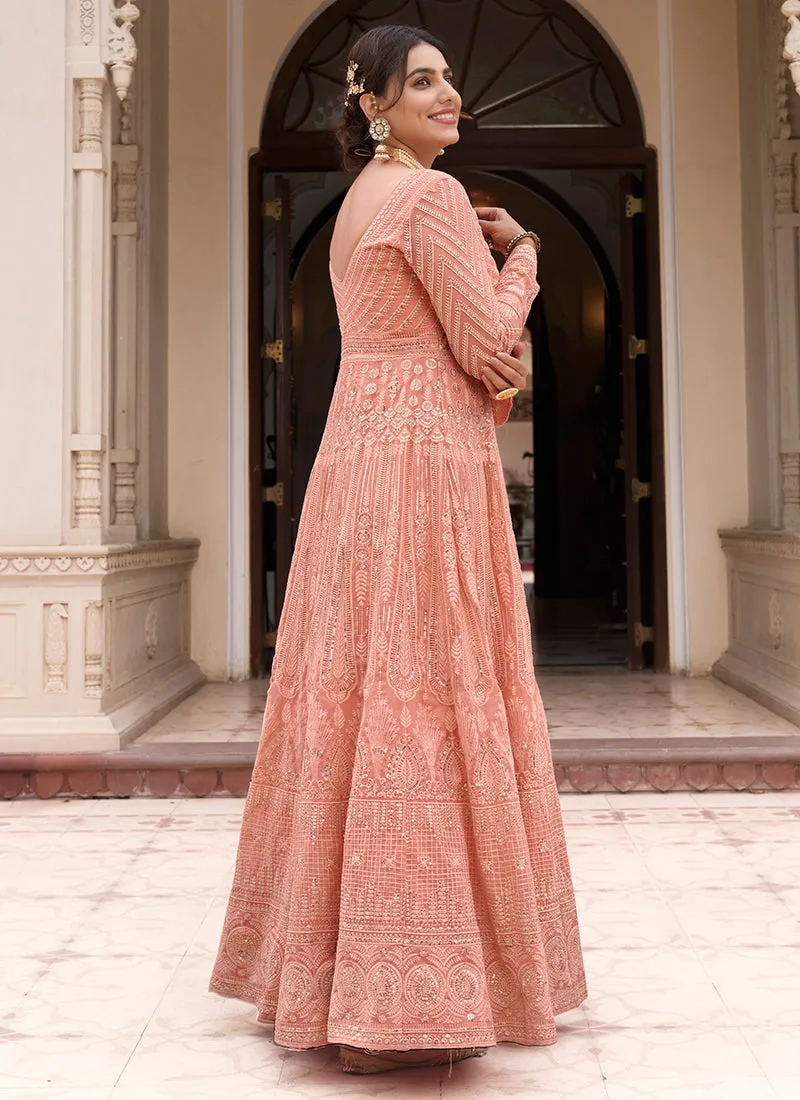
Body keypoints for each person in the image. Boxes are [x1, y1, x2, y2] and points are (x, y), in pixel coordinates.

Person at [209, 23, 587, 1075]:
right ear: (371, 101)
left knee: (364, 702)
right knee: (427, 700)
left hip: (359, 458)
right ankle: (404, 1003)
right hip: (423, 462)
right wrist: (526, 258)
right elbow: (491, 352)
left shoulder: (352, 208)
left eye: (450, 75)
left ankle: (333, 985)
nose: (449, 91)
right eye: (422, 80)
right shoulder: (424, 198)